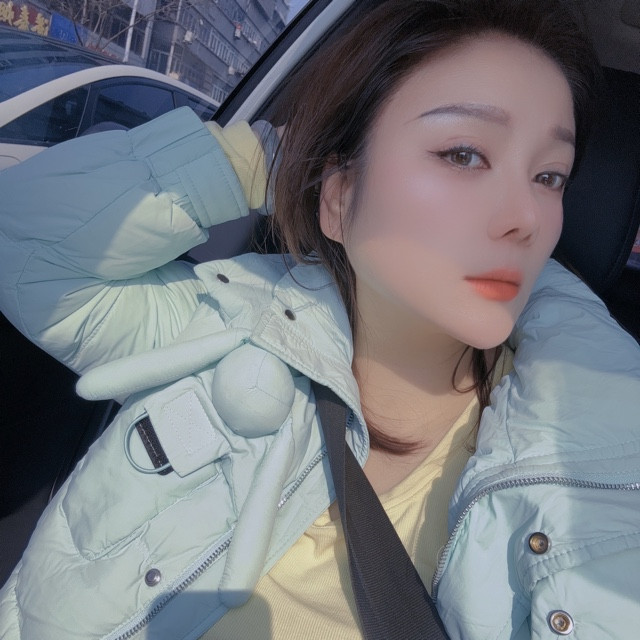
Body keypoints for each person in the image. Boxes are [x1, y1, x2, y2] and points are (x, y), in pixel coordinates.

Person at [1, 0, 639, 638]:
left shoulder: (600, 464)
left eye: (549, 176)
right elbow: (23, 249)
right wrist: (266, 158)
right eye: (464, 155)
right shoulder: (229, 328)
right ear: (338, 195)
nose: (527, 218)